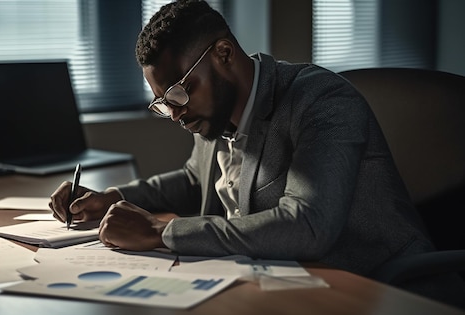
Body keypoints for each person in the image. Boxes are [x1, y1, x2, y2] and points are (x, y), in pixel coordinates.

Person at [49, 0, 434, 278]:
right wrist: (112, 198)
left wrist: (159, 232)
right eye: (165, 103)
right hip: (282, 282)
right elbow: (194, 180)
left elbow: (307, 226)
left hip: (381, 289)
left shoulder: (321, 100)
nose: (177, 114)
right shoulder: (213, 113)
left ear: (223, 53)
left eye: (180, 93)